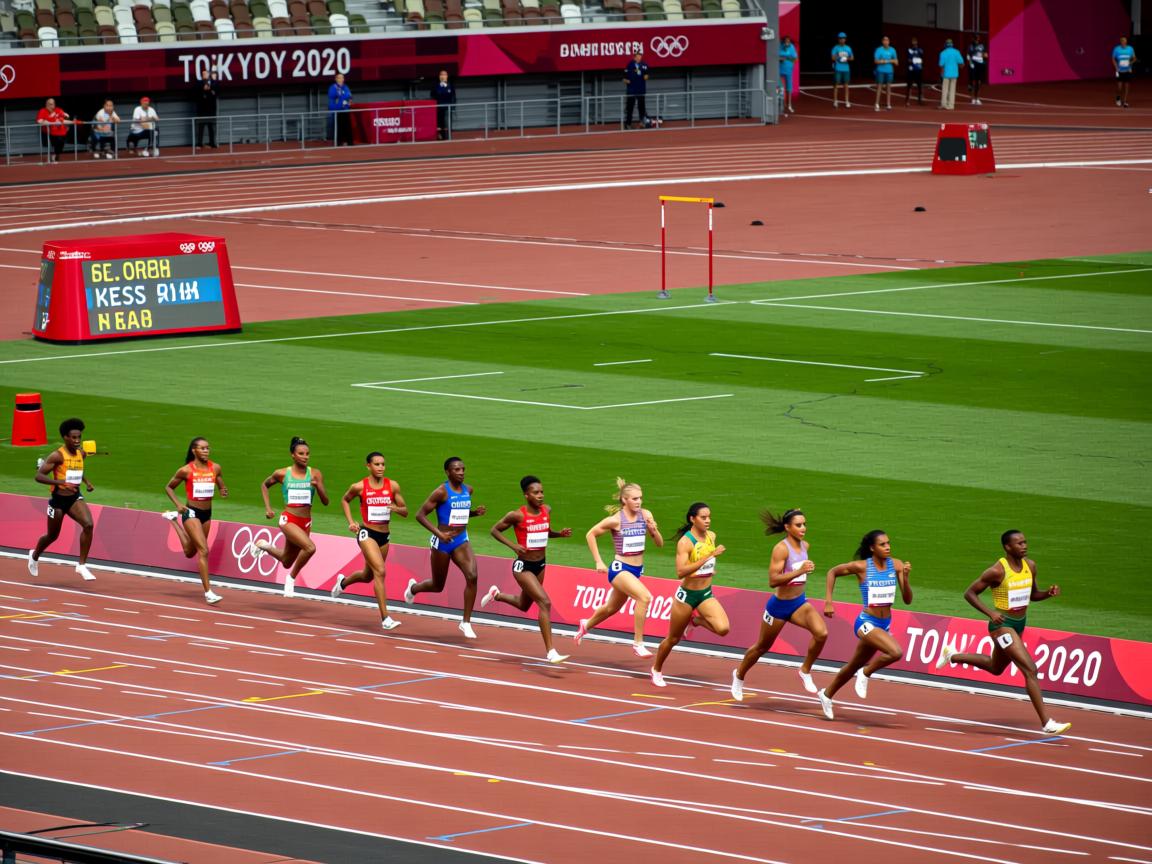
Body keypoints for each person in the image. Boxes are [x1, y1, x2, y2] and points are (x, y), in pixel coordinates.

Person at [936, 530, 1072, 735]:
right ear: (1008, 547)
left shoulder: (1031, 566)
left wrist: (1047, 594)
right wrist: (991, 613)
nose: (1024, 546)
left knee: (995, 667)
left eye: (1025, 542)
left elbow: (1032, 594)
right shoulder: (997, 571)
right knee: (1030, 669)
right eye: (1019, 543)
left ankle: (952, 655)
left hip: (1019, 624)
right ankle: (1047, 723)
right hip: (1002, 626)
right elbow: (969, 593)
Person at [731, 508, 827, 700]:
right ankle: (739, 675)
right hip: (779, 607)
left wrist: (804, 570)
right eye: (799, 525)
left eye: (804, 524)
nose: (803, 528)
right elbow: (773, 580)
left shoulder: (805, 546)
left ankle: (805, 670)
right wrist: (800, 572)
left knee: (822, 633)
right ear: (787, 527)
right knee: (761, 647)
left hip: (799, 603)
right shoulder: (781, 549)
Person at [816, 530, 912, 720]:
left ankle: (826, 694)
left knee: (853, 664)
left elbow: (907, 600)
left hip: (884, 624)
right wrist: (828, 601)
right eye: (882, 544)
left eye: (888, 543)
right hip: (866, 622)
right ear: (872, 548)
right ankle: (866, 672)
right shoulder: (861, 567)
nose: (888, 547)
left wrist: (906, 578)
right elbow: (832, 572)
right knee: (895, 652)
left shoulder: (897, 565)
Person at [482, 475, 573, 663]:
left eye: (542, 492)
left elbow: (544, 531)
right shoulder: (517, 515)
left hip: (540, 564)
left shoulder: (546, 510)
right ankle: (551, 652)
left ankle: (496, 595)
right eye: (536, 492)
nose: (540, 495)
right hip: (523, 567)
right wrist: (513, 546)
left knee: (524, 605)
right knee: (545, 603)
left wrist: (559, 534)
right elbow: (494, 530)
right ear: (526, 495)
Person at [577, 477, 664, 657]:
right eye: (634, 499)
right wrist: (598, 561)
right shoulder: (616, 520)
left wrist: (654, 531)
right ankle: (638, 643)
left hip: (637, 571)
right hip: (620, 569)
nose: (639, 502)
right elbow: (590, 534)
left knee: (611, 608)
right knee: (645, 598)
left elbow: (659, 544)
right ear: (624, 500)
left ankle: (585, 624)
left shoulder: (646, 515)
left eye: (640, 498)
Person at [405, 457, 487, 639]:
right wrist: (439, 534)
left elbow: (457, 513)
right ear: (448, 472)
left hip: (461, 540)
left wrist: (473, 513)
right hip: (442, 542)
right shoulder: (441, 492)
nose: (461, 472)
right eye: (457, 470)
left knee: (472, 576)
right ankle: (413, 589)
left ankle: (465, 622)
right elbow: (420, 515)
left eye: (463, 469)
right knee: (437, 585)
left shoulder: (468, 490)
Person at [650, 502, 730, 687]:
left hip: (705, 594)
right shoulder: (685, 542)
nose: (708, 521)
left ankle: (695, 621)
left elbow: (704, 566)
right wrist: (709, 557)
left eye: (709, 517)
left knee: (723, 629)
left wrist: (708, 569)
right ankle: (656, 669)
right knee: (673, 639)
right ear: (692, 519)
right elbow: (680, 572)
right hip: (686, 596)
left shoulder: (711, 536)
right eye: (703, 517)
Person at [335, 451, 409, 631]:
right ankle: (385, 618)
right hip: (366, 533)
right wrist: (351, 522)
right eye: (377, 464)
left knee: (369, 575)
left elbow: (405, 511)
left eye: (383, 464)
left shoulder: (392, 486)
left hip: (384, 536)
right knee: (381, 571)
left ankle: (342, 582)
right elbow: (345, 500)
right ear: (368, 466)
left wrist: (395, 508)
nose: (381, 467)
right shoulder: (359, 487)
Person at [254, 437, 329, 596]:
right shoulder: (282, 473)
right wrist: (268, 508)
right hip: (288, 519)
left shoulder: (315, 474)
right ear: (293, 455)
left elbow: (325, 502)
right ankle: (291, 579)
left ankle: (264, 545)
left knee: (287, 561)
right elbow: (264, 485)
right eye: (301, 453)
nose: (305, 456)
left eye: (307, 454)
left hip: (305, 522)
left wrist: (319, 487)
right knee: (310, 548)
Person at [161, 437, 228, 605]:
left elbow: (220, 481)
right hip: (191, 513)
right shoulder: (186, 470)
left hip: (207, 514)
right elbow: (169, 487)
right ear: (194, 450)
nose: (206, 451)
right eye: (202, 448)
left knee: (190, 552)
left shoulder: (215, 467)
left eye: (207, 448)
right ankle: (208, 593)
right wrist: (178, 504)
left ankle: (173, 521)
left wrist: (223, 489)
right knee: (203, 551)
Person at [28, 418, 96, 581]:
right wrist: (60, 482)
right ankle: (34, 555)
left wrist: (87, 482)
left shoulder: (81, 453)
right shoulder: (57, 455)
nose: (77, 441)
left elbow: (76, 470)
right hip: (58, 501)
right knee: (52, 536)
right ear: (65, 437)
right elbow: (39, 476)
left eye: (79, 437)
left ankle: (81, 565)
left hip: (74, 498)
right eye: (73, 438)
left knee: (88, 524)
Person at [36, 98, 72, 164]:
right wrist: (46, 122)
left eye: (52, 104)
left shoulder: (58, 110)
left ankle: (56, 154)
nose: (50, 106)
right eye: (49, 104)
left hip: (61, 132)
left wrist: (69, 120)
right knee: (57, 141)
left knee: (61, 142)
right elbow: (39, 121)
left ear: (54, 104)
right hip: (48, 132)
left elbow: (65, 118)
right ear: (46, 105)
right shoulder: (42, 111)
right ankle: (54, 155)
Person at [623, 50, 649, 128]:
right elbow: (624, 78)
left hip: (641, 90)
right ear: (634, 57)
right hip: (631, 90)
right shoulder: (630, 65)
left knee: (642, 108)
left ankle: (642, 123)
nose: (639, 57)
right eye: (638, 56)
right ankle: (628, 124)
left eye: (640, 56)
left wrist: (646, 77)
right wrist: (627, 81)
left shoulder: (644, 65)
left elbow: (646, 75)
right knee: (630, 108)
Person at [938, 39, 965, 110]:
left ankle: (944, 104)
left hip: (946, 74)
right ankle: (951, 105)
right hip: (954, 73)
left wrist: (941, 73)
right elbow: (961, 63)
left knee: (945, 89)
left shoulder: (943, 53)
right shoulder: (957, 52)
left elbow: (941, 65)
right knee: (952, 90)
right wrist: (959, 66)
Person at [873, 35, 898, 111]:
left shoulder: (892, 50)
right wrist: (881, 61)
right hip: (880, 71)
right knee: (879, 87)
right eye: (884, 40)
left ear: (889, 42)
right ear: (882, 41)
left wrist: (887, 61)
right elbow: (876, 61)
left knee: (888, 87)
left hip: (889, 71)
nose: (886, 42)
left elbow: (896, 62)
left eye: (887, 40)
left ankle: (888, 104)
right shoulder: (878, 50)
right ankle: (877, 104)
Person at [430, 69, 456, 141]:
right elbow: (432, 96)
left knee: (447, 122)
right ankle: (440, 136)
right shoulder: (435, 86)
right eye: (441, 74)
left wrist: (453, 107)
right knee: (440, 123)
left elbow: (453, 97)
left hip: (448, 108)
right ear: (439, 76)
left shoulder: (451, 86)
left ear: (447, 76)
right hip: (438, 108)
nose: (443, 76)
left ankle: (448, 136)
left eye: (444, 75)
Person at [194, 75, 219, 149]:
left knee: (211, 127)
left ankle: (212, 143)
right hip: (202, 110)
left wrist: (210, 89)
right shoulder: (199, 84)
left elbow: (215, 93)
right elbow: (196, 94)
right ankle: (199, 143)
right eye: (204, 74)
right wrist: (203, 89)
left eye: (207, 74)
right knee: (200, 127)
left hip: (211, 110)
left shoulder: (213, 84)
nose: (205, 76)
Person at [328, 73, 353, 146]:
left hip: (345, 110)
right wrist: (341, 95)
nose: (341, 79)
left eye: (342, 78)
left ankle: (350, 142)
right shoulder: (332, 87)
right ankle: (338, 143)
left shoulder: (346, 87)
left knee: (347, 127)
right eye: (339, 78)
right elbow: (334, 96)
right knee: (338, 127)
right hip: (337, 111)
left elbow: (349, 97)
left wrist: (349, 101)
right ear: (336, 79)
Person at [831, 32, 854, 108]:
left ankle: (847, 101)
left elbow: (852, 58)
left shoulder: (848, 48)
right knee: (836, 85)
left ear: (845, 39)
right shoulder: (836, 48)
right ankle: (835, 101)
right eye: (840, 38)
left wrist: (847, 58)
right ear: (838, 39)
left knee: (846, 85)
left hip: (846, 69)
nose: (842, 40)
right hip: (838, 68)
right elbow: (833, 57)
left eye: (843, 38)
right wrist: (839, 58)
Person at [1113, 36, 1138, 108]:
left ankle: (1125, 101)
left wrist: (1130, 63)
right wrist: (1116, 67)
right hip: (1119, 71)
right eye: (1122, 41)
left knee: (1127, 87)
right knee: (1119, 88)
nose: (1124, 42)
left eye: (1125, 41)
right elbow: (1113, 59)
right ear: (1120, 42)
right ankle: (1118, 97)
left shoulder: (1130, 49)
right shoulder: (1116, 49)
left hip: (1128, 70)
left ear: (1126, 42)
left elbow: (1135, 58)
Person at [778, 35, 798, 114]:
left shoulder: (792, 47)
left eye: (788, 41)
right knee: (780, 88)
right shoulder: (780, 46)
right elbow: (776, 57)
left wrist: (786, 58)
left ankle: (789, 105)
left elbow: (795, 59)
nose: (787, 42)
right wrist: (780, 59)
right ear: (784, 41)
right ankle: (782, 104)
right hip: (780, 70)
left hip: (789, 70)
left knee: (789, 88)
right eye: (786, 41)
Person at [966, 36, 988, 105]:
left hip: (980, 65)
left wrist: (985, 56)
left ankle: (977, 98)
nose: (977, 40)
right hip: (973, 65)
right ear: (973, 39)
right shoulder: (971, 46)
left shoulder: (982, 46)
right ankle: (972, 98)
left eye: (978, 39)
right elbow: (968, 56)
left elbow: (986, 55)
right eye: (975, 39)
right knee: (973, 82)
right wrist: (970, 63)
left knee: (979, 82)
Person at [905, 37, 925, 105]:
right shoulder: (909, 50)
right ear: (911, 42)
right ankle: (907, 100)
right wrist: (915, 61)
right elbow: (908, 60)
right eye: (913, 42)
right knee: (909, 85)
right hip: (911, 70)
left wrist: (916, 61)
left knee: (919, 85)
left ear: (917, 42)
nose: (914, 43)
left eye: (915, 41)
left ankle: (920, 100)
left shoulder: (920, 50)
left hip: (918, 70)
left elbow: (922, 60)